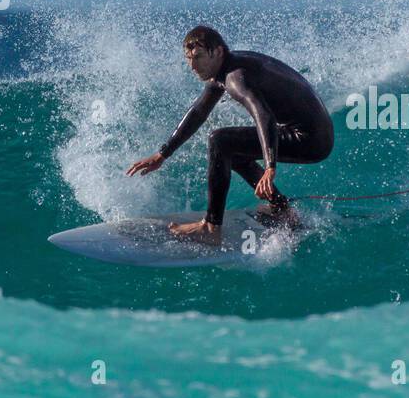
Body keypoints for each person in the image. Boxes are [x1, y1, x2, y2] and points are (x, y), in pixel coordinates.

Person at [126, 25, 334, 243]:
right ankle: (282, 210)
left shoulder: (235, 77)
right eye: (188, 58)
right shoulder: (227, 67)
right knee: (231, 150)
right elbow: (198, 111)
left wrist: (270, 166)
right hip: (316, 131)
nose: (192, 66)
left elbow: (264, 116)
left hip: (310, 138)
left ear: (217, 51)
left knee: (220, 140)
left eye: (198, 57)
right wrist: (163, 154)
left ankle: (211, 227)